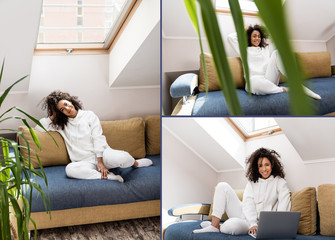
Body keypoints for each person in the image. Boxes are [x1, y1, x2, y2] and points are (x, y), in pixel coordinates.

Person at [35, 90, 153, 182]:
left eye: (66, 104)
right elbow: (39, 127)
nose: (67, 108)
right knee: (70, 170)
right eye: (62, 109)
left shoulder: (89, 115)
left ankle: (136, 164)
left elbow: (98, 138)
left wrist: (100, 162)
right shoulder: (61, 125)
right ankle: (108, 177)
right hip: (84, 161)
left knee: (123, 157)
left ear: (70, 101)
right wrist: (54, 114)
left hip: (103, 155)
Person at [193, 148, 291, 235]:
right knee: (222, 186)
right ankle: (214, 225)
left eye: (267, 165)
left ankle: (219, 227)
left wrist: (259, 225)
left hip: (255, 224)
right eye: (260, 166)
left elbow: (284, 208)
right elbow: (248, 204)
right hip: (243, 214)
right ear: (256, 167)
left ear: (272, 165)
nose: (264, 169)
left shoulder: (280, 183)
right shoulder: (252, 182)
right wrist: (252, 223)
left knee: (232, 226)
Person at [227, 24, 321, 99]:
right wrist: (246, 30)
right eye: (254, 36)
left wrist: (263, 30)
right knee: (254, 82)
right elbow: (230, 38)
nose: (257, 38)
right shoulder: (244, 50)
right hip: (255, 81)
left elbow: (273, 35)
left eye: (259, 36)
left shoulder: (265, 48)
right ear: (249, 37)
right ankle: (285, 89)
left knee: (276, 53)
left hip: (269, 78)